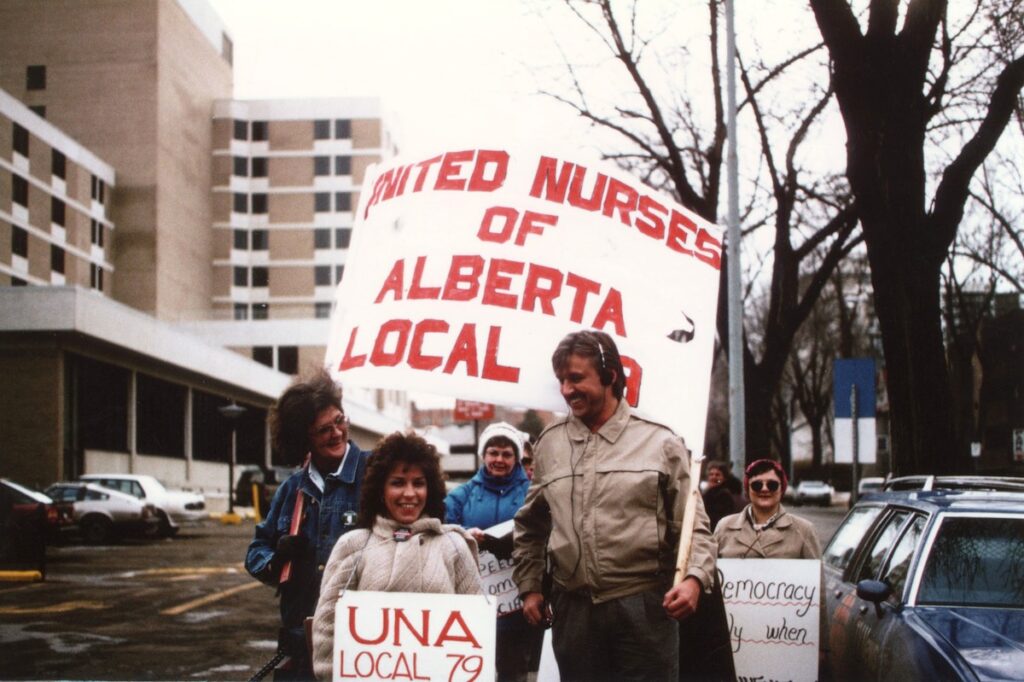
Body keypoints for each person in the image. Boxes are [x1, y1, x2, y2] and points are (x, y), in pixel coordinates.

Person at [513, 329, 717, 682]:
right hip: (574, 614)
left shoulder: (660, 442)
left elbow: (693, 525)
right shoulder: (550, 444)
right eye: (561, 380)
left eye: (576, 378)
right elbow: (531, 526)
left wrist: (695, 580)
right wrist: (530, 586)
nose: (566, 390)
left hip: (646, 610)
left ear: (609, 377)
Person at [310, 432, 482, 680]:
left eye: (418, 483)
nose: (410, 493)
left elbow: (476, 631)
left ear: (430, 488)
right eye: (398, 482)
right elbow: (327, 626)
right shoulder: (353, 546)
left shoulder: (454, 546)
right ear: (380, 489)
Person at [245, 370, 370, 680]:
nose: (337, 433)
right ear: (304, 438)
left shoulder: (375, 474)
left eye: (340, 421)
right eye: (323, 429)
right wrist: (276, 557)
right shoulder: (291, 490)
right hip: (299, 645)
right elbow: (255, 553)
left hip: (360, 640)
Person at [445, 422, 538, 682]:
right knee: (471, 668)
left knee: (514, 668)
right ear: (483, 455)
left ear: (517, 458)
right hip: (473, 596)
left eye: (507, 454)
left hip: (517, 601)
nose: (499, 459)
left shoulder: (532, 493)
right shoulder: (461, 494)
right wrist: (465, 534)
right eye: (493, 453)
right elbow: (442, 530)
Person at [714, 459, 822, 559]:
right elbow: (711, 573)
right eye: (757, 485)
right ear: (748, 489)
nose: (764, 489)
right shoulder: (724, 527)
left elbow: (815, 577)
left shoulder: (804, 530)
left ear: (782, 489)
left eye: (772, 485)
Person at [702, 460, 744, 531]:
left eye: (717, 475)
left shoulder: (724, 496)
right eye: (711, 474)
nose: (714, 477)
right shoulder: (707, 493)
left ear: (724, 478)